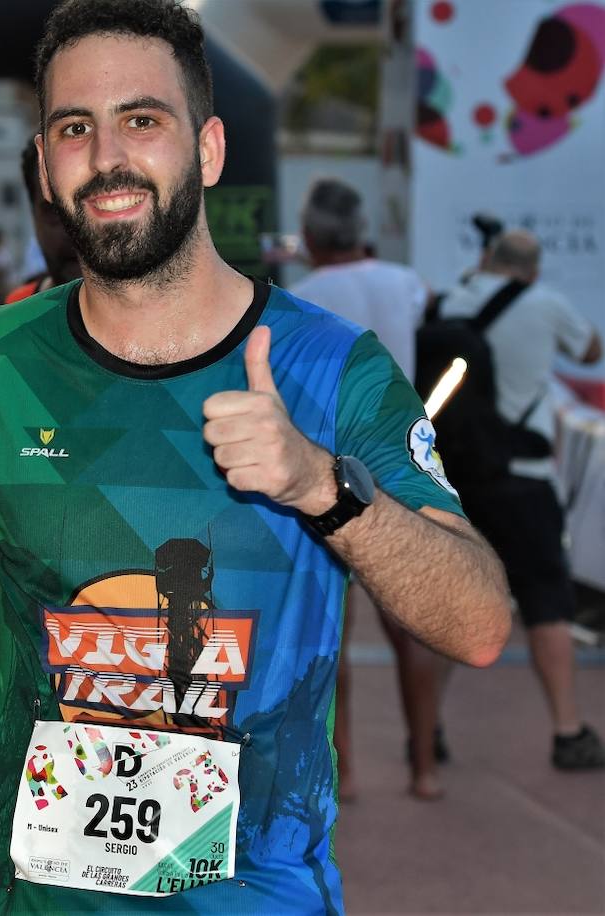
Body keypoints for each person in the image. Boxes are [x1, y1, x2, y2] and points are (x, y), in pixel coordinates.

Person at [0, 2, 513, 912]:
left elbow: (478, 624)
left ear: (207, 149)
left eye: (143, 119)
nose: (108, 154)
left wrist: (322, 485)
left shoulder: (331, 367)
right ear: (44, 166)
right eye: (74, 127)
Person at [291, 176, 449, 800]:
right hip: (403, 463)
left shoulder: (300, 297)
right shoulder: (404, 282)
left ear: (308, 237)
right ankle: (425, 768)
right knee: (411, 628)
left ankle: (346, 770)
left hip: (333, 469)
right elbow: (425, 302)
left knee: (334, 631)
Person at [435, 228, 604, 771]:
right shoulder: (546, 303)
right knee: (546, 603)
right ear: (531, 270)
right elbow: (590, 350)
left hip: (458, 478)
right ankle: (567, 731)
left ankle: (427, 728)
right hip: (525, 477)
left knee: (444, 608)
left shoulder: (453, 299)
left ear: (488, 260)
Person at [6, 135, 83, 304]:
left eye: (94, 206)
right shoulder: (7, 322)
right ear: (33, 215)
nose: (73, 230)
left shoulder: (153, 325)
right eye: (55, 212)